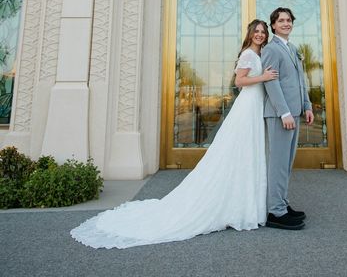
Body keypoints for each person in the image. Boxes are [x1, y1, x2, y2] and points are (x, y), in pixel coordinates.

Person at [70, 19, 277, 249]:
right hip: (246, 109)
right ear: (250, 34)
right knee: (237, 153)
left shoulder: (261, 54)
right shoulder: (248, 54)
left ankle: (247, 205)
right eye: (256, 31)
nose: (259, 34)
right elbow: (239, 81)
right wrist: (263, 77)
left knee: (248, 156)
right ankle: (236, 207)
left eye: (262, 32)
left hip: (255, 108)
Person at [261, 7, 314, 230]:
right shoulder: (271, 49)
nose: (286, 23)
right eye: (281, 20)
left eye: (289, 20)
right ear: (273, 25)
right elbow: (271, 83)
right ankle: (275, 211)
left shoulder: (292, 48)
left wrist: (307, 106)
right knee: (278, 164)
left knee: (287, 164)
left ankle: (282, 203)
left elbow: (300, 81)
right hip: (279, 115)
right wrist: (284, 112)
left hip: (295, 113)